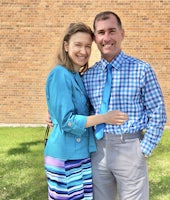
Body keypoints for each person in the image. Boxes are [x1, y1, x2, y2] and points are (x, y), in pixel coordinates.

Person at [81, 11, 167, 200]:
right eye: (101, 32)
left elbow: (158, 112)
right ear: (95, 38)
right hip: (97, 150)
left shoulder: (141, 70)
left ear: (122, 34)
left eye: (112, 31)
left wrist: (143, 150)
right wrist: (53, 115)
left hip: (129, 147)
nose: (107, 38)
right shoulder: (88, 76)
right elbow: (82, 112)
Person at [44, 22, 128, 200]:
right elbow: (68, 121)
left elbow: (68, 109)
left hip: (80, 154)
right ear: (66, 46)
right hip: (64, 156)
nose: (83, 50)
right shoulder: (60, 74)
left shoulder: (77, 76)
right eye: (78, 45)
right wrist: (104, 118)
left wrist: (53, 113)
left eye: (88, 46)